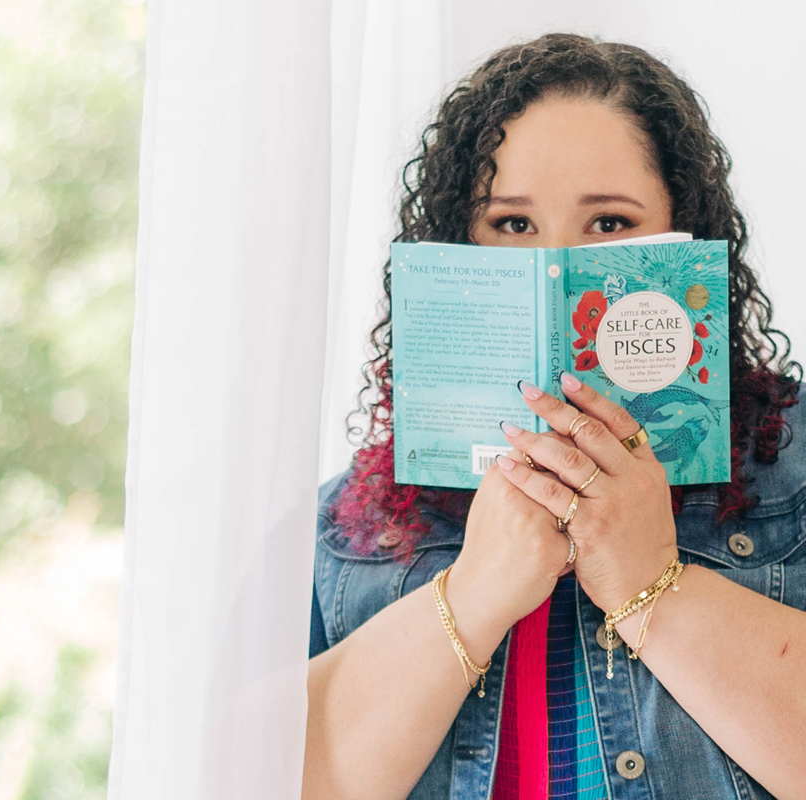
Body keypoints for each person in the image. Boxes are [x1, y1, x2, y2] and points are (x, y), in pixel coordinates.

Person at [302, 33, 806, 800]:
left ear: (688, 236)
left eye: (609, 224)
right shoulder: (356, 524)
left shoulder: (793, 470)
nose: (558, 262)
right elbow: (273, 775)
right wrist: (473, 595)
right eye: (511, 225)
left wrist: (653, 586)